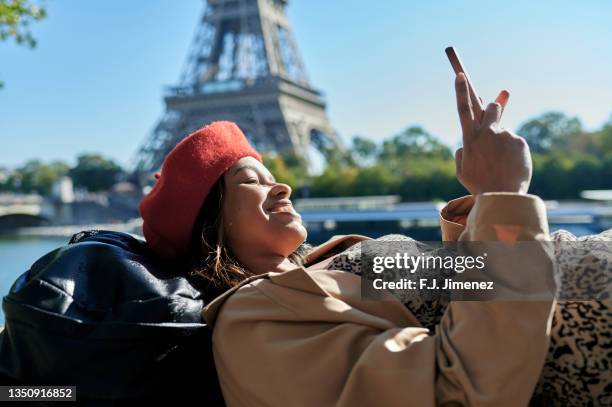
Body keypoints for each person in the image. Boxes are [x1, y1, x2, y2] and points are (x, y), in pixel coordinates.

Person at [139, 73, 557, 406]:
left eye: (273, 177)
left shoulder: (316, 272)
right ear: (210, 226)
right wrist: (501, 196)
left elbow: (462, 283)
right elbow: (457, 392)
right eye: (249, 181)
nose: (283, 187)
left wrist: (484, 204)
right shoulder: (250, 325)